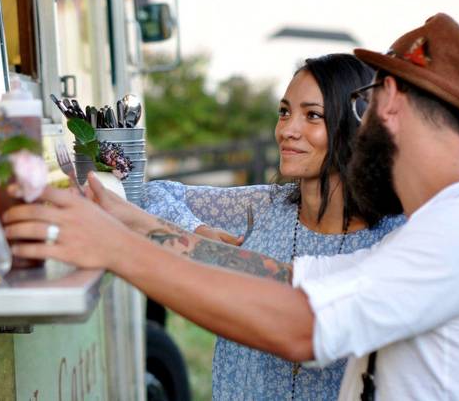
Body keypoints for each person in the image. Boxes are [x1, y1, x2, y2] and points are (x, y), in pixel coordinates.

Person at [3, 13, 459, 400]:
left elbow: (300, 327)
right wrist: (133, 222)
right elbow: (284, 280)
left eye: (359, 107)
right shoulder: (457, 222)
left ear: (388, 99)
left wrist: (117, 249)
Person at [139, 54, 405, 400]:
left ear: (354, 125)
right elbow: (153, 194)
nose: (287, 130)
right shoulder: (264, 206)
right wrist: (199, 231)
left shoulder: (392, 236)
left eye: (312, 115)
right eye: (284, 112)